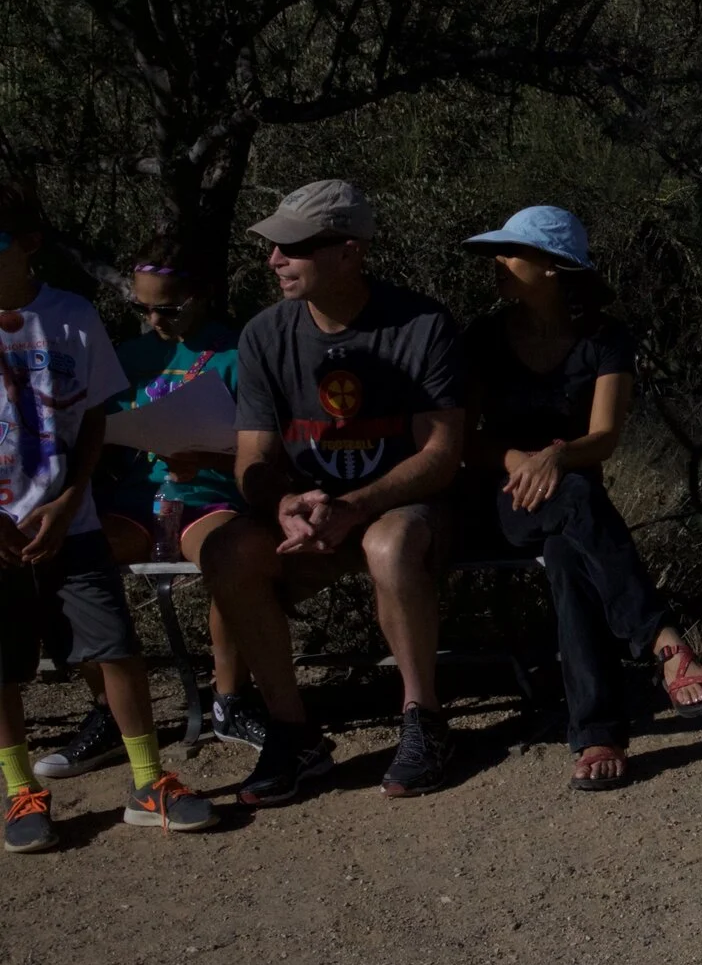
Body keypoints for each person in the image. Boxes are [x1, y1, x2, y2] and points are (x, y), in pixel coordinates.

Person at [203, 179, 466, 805]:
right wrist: (280, 504)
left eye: (292, 247)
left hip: (396, 508)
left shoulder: (423, 325)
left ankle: (423, 720)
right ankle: (294, 735)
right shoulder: (265, 334)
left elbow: (441, 453)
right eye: (273, 247)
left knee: (391, 545)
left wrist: (356, 507)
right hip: (307, 514)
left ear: (349, 252)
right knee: (225, 551)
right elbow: (254, 457)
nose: (274, 260)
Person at [457, 206, 702, 792]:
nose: (498, 264)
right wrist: (523, 462)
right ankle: (663, 642)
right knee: (575, 502)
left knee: (570, 556)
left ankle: (598, 735)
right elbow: (468, 438)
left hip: (573, 501)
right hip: (502, 499)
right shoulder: (482, 338)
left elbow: (602, 438)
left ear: (551, 268)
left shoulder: (605, 339)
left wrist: (555, 455)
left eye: (511, 253)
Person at [0, 178, 214, 850]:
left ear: (29, 245)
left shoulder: (71, 315)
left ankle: (148, 780)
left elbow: (94, 415)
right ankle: (18, 792)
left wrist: (70, 499)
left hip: (73, 520)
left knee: (116, 648)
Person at [40, 239, 260, 784]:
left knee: (231, 555)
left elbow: (260, 445)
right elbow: (98, 431)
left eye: (168, 307)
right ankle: (110, 712)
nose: (155, 319)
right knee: (69, 558)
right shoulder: (127, 356)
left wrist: (206, 456)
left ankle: (230, 697)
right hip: (138, 498)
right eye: (143, 308)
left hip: (210, 493)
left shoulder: (239, 353)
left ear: (203, 295)